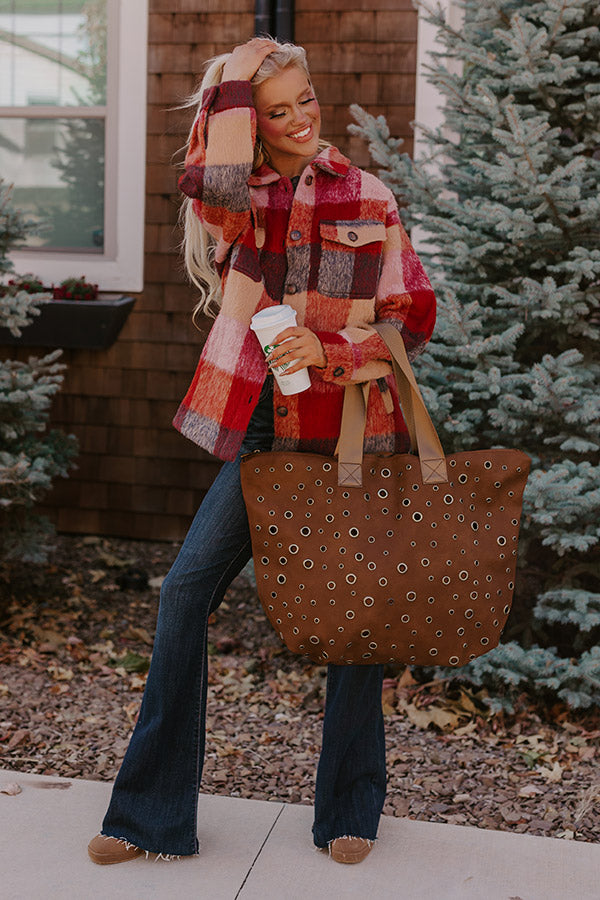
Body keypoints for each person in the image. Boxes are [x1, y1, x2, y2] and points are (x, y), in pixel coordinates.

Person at [88, 37, 436, 867]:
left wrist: (333, 355)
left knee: (354, 621)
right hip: (261, 434)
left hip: (352, 433)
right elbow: (207, 180)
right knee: (183, 595)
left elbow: (412, 315)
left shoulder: (370, 194)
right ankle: (147, 818)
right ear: (253, 118)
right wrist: (236, 78)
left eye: (302, 99)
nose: (297, 118)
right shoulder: (243, 202)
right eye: (274, 110)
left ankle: (350, 809)